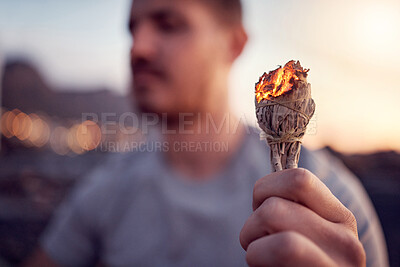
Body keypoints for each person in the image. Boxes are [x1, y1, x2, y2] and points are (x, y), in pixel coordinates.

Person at [25, 0, 388, 266]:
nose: (138, 48)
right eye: (133, 30)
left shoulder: (332, 206)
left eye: (168, 24)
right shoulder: (103, 190)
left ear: (234, 44)